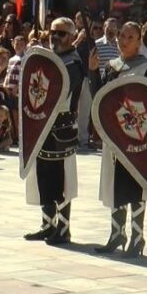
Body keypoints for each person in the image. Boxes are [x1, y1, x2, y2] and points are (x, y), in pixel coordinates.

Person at [23, 17, 91, 246]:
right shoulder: (49, 58)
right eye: (53, 32)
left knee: (61, 180)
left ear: (72, 37)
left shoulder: (73, 63)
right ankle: (47, 224)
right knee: (44, 175)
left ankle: (63, 228)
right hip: (43, 124)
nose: (56, 37)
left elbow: (58, 91)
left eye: (61, 33)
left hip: (61, 126)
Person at [94, 21, 147, 258]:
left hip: (135, 137)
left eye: (130, 37)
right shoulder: (112, 66)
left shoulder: (146, 69)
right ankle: (116, 233)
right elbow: (99, 97)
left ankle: (137, 237)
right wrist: (93, 72)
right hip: (113, 136)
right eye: (121, 35)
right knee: (115, 184)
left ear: (139, 41)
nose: (123, 40)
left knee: (135, 186)